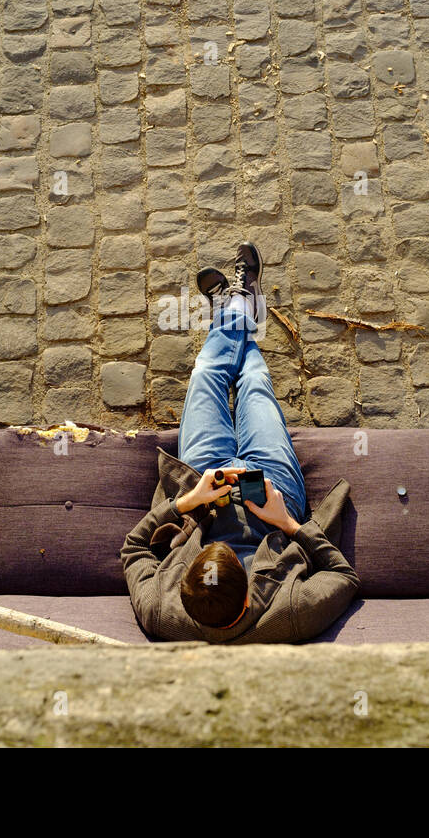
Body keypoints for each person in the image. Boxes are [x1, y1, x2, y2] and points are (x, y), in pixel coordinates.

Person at [121, 242, 359, 643]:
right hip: (273, 491)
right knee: (254, 386)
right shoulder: (290, 615)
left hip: (205, 484)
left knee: (205, 375)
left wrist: (187, 502)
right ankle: (238, 311)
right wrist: (288, 523)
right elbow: (343, 577)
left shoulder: (163, 611)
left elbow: (133, 549)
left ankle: (235, 312)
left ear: (184, 587)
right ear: (249, 599)